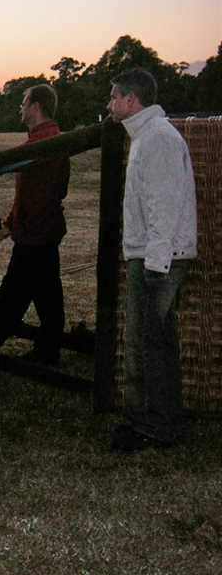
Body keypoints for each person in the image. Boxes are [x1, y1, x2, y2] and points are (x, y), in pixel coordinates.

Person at [107, 67, 197, 451]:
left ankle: (151, 425)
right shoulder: (148, 136)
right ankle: (157, 419)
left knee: (146, 344)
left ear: (131, 100)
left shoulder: (157, 139)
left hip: (160, 258)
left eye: (113, 97)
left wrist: (156, 263)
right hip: (156, 254)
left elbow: (164, 204)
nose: (109, 104)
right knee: (154, 342)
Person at [0, 84, 70, 365]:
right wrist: (9, 225)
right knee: (47, 295)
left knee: (12, 298)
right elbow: (28, 196)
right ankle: (48, 349)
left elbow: (7, 163)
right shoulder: (47, 140)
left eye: (23, 102)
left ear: (35, 106)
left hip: (35, 236)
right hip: (41, 232)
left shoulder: (46, 143)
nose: (20, 107)